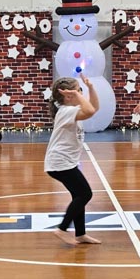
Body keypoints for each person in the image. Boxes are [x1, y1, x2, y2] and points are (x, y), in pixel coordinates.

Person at [45, 75, 101, 246]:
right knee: (85, 194)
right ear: (69, 96)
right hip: (60, 162)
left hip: (64, 162)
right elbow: (89, 111)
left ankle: (80, 234)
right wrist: (77, 95)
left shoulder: (71, 110)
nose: (81, 93)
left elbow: (94, 108)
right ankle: (62, 229)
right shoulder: (66, 111)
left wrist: (91, 88)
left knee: (78, 195)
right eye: (78, 90)